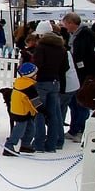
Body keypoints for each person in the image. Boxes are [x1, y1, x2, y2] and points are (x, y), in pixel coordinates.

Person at [61, 11, 95, 141]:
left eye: (66, 24)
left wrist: (83, 69)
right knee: (74, 103)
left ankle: (80, 129)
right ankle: (74, 128)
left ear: (71, 23)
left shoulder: (85, 35)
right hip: (79, 73)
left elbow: (88, 55)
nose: (65, 27)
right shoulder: (78, 35)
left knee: (81, 103)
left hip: (84, 75)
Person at [30, 19, 68, 153]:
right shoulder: (62, 48)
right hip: (55, 82)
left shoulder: (41, 47)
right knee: (53, 115)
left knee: (38, 112)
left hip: (41, 83)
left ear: (41, 34)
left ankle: (39, 143)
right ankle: (52, 144)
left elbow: (38, 65)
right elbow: (65, 67)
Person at [3, 62, 41, 156]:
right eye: (35, 74)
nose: (37, 75)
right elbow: (35, 102)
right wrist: (44, 111)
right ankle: (9, 146)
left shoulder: (21, 82)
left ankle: (25, 145)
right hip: (21, 112)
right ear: (30, 75)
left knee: (31, 128)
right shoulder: (28, 86)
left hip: (24, 110)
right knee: (19, 130)